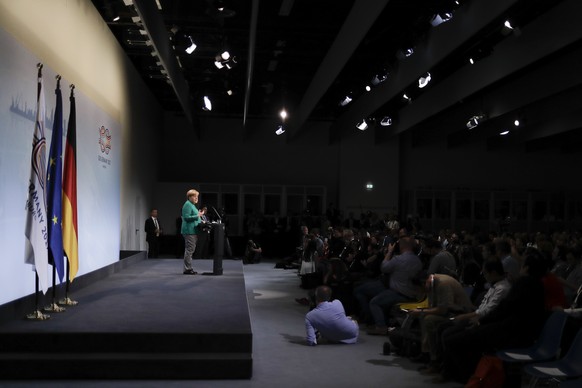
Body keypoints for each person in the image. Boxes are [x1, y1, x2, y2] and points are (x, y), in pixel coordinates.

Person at [181, 189, 201, 275]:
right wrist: (197, 216)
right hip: (189, 231)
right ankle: (187, 269)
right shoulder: (187, 205)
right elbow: (186, 217)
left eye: (197, 196)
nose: (196, 198)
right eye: (195, 196)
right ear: (189, 197)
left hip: (193, 230)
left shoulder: (192, 205)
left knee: (191, 250)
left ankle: (188, 268)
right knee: (189, 250)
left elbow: (195, 217)